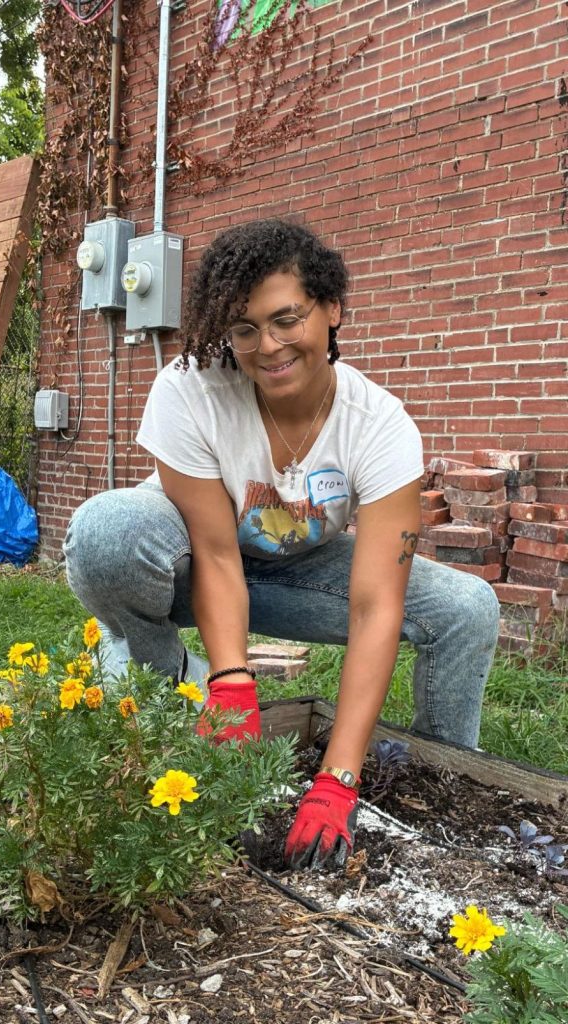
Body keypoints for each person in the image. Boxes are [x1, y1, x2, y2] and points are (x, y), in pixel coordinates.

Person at [64, 218, 500, 871]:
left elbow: (375, 606)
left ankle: (434, 788)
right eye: (244, 329)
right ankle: (171, 688)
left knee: (468, 607)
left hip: (300, 570)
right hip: (189, 560)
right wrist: (232, 682)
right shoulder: (191, 390)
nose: (267, 347)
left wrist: (338, 777)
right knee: (108, 534)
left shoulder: (380, 427)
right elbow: (216, 553)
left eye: (286, 320)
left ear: (332, 309)